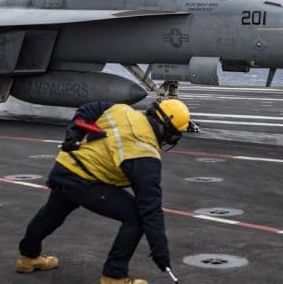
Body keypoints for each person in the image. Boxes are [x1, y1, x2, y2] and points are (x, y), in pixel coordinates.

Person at [15, 99, 191, 284]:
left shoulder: (122, 110)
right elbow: (150, 208)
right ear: (166, 129)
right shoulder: (145, 153)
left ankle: (28, 257)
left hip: (66, 167)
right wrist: (160, 252)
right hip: (86, 181)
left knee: (52, 213)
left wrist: (73, 134)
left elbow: (88, 109)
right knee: (136, 217)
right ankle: (114, 276)